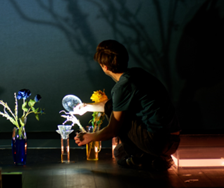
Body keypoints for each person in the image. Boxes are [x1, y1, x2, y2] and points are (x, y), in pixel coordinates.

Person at [73, 40, 180, 171]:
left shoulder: (123, 86)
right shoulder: (137, 74)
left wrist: (89, 137)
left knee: (120, 149)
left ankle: (144, 157)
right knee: (120, 151)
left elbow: (113, 129)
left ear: (104, 67)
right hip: (173, 139)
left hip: (158, 141)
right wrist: (87, 107)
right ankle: (149, 157)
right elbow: (116, 104)